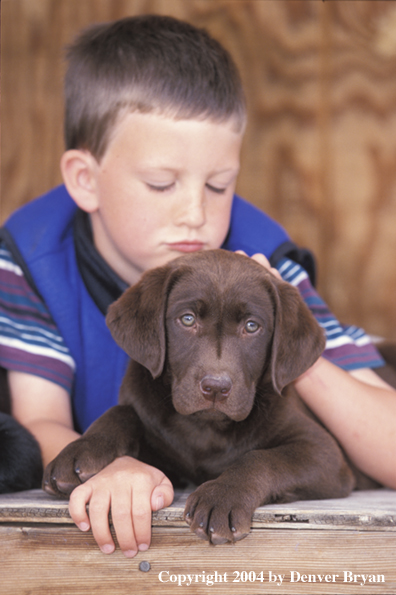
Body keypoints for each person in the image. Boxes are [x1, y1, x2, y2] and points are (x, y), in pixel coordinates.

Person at [0, 15, 395, 558]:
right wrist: (113, 467)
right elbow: (38, 420)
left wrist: (288, 336)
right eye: (161, 183)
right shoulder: (35, 257)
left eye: (218, 185)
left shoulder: (265, 265)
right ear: (85, 181)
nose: (194, 213)